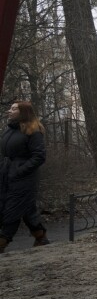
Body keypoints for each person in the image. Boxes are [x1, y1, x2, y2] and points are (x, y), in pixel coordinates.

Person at [0, 100, 48, 253]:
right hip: (7, 175)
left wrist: (20, 170)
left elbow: (39, 156)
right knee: (27, 210)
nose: (10, 111)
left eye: (14, 109)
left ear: (23, 112)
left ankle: (3, 241)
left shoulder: (34, 131)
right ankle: (41, 237)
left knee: (12, 209)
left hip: (24, 179)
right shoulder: (9, 130)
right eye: (11, 108)